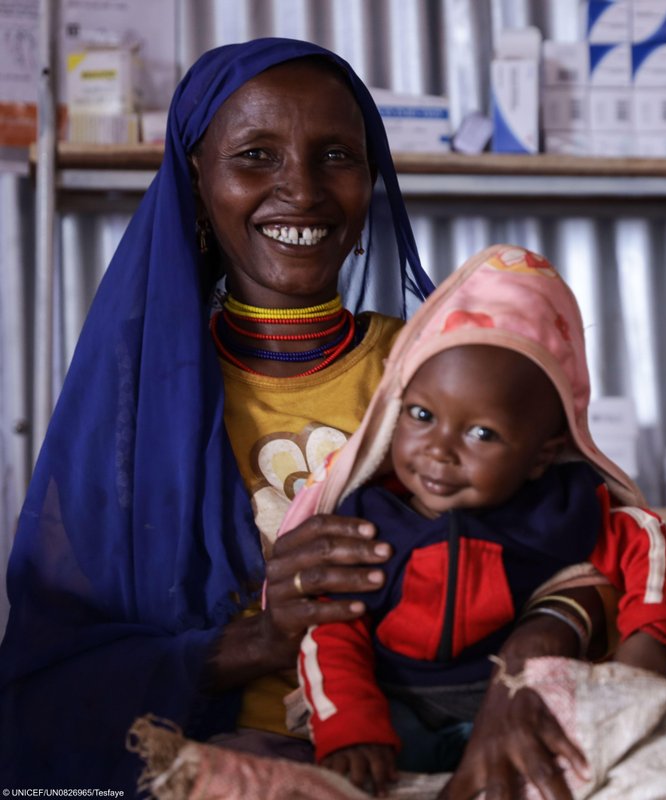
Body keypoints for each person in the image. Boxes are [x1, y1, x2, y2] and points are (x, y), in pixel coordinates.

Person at [0, 39, 629, 798]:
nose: (301, 189)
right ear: (197, 185)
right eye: (256, 155)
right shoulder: (134, 412)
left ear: (371, 184)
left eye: (336, 155)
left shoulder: (443, 373)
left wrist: (521, 677)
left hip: (443, 752)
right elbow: (52, 686)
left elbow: (596, 556)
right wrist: (260, 639)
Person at [279, 244, 666, 794]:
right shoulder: (368, 520)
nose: (439, 451)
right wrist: (352, 729)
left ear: (542, 454)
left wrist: (649, 643)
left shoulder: (558, 509)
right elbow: (331, 631)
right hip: (386, 706)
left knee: (628, 760)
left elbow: (649, 546)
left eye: (482, 434)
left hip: (510, 705)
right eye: (422, 415)